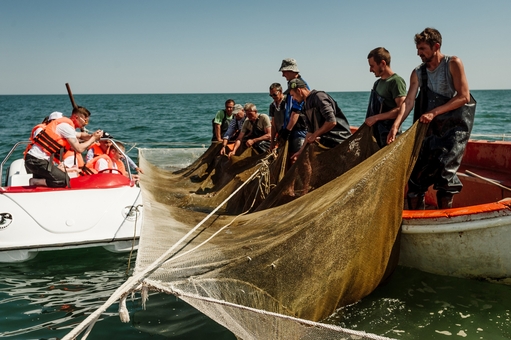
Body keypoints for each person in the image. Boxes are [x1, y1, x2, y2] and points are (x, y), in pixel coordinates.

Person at [387, 27, 475, 209]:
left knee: (445, 175)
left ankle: (445, 219)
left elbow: (464, 97)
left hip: (454, 128)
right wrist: (396, 125)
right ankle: (418, 218)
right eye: (418, 49)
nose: (418, 53)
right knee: (416, 177)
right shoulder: (418, 72)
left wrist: (435, 112)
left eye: (422, 49)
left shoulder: (453, 63)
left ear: (436, 46)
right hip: (429, 130)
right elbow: (409, 101)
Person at [24, 106, 103, 187]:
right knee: (64, 180)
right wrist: (93, 139)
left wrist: (93, 135)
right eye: (85, 121)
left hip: (35, 160)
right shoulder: (65, 127)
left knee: (48, 183)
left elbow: (80, 135)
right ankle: (34, 182)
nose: (85, 124)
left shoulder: (66, 127)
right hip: (37, 160)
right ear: (76, 117)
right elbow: (79, 149)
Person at [287, 78, 352, 162]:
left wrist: (315, 135)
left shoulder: (319, 97)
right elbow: (310, 132)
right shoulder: (304, 106)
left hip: (340, 142)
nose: (293, 98)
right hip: (327, 144)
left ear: (299, 90)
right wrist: (300, 151)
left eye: (293, 95)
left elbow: (331, 121)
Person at [365, 47, 407, 148]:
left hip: (389, 136)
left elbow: (402, 109)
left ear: (383, 63)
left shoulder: (396, 81)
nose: (370, 70)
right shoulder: (377, 83)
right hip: (376, 135)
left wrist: (376, 118)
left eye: (372, 66)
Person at [278, 58, 308, 155]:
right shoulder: (291, 85)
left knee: (298, 161)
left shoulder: (300, 86)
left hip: (299, 132)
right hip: (291, 130)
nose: (283, 75)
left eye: (284, 72)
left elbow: (296, 111)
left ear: (291, 70)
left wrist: (287, 130)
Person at [268, 83, 286, 151]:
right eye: (271, 95)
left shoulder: (287, 101)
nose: (273, 97)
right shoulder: (272, 106)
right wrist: (272, 141)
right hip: (280, 135)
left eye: (274, 94)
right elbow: (273, 125)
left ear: (280, 91)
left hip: (289, 134)